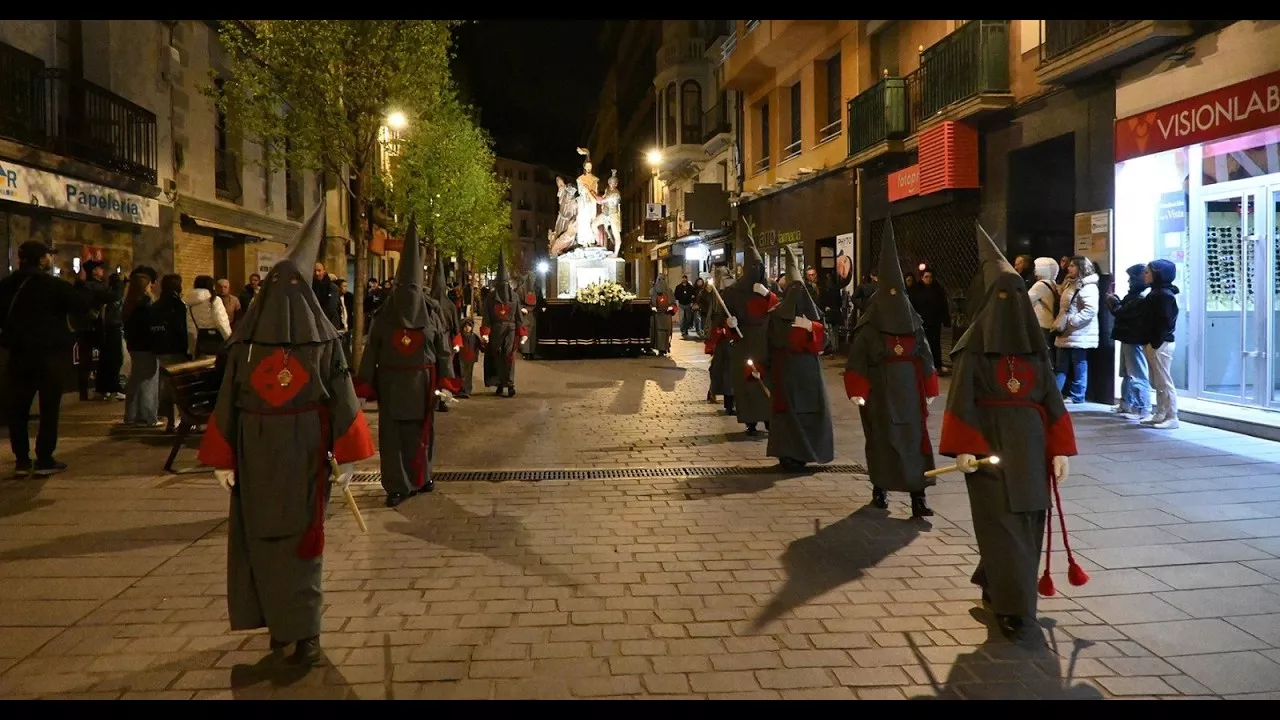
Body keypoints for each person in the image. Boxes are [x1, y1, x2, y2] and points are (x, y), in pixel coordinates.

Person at [198, 202, 375, 667]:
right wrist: (350, 454)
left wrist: (224, 456)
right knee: (297, 543)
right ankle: (295, 629)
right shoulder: (314, 342)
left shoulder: (247, 343)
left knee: (281, 540)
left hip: (267, 456)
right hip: (302, 453)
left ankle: (292, 630)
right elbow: (342, 399)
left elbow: (227, 403)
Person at [940, 225, 1087, 643]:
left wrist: (1060, 451)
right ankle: (1015, 608)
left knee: (1025, 527)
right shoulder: (974, 352)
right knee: (1001, 527)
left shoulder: (1036, 355)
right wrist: (962, 448)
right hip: (988, 454)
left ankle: (997, 580)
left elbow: (1052, 404)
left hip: (1032, 456)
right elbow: (961, 402)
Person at [843, 218, 939, 518]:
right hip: (881, 395)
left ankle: (918, 497)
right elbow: (857, 359)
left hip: (910, 394)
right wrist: (858, 390)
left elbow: (925, 355)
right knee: (883, 442)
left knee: (915, 444)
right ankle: (880, 490)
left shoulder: (913, 323)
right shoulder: (870, 325)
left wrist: (930, 386)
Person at [354, 219, 454, 507]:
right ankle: (398, 484)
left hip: (421, 385)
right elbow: (372, 351)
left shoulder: (430, 314)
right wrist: (364, 386)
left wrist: (446, 383)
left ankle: (421, 477)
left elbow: (443, 349)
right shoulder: (385, 317)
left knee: (420, 434)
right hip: (394, 385)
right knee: (394, 436)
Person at [0, 241, 91, 475]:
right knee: (49, 407)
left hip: (19, 354)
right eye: (48, 255)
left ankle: (21, 459)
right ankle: (45, 457)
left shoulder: (6, 285)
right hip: (49, 354)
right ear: (41, 259)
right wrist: (80, 284)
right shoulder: (52, 285)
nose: (50, 259)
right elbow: (81, 306)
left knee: (18, 408)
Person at [765, 247, 833, 469]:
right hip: (787, 371)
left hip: (808, 372)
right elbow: (771, 342)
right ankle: (787, 453)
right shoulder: (776, 315)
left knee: (808, 412)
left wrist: (811, 327)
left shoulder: (813, 315)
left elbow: (825, 341)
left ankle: (807, 451)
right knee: (788, 413)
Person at [720, 233, 777, 436]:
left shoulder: (770, 289)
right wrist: (729, 323)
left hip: (766, 342)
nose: (757, 272)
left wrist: (768, 295)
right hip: (745, 342)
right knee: (747, 382)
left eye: (759, 268)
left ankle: (770, 418)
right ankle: (751, 419)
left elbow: (781, 309)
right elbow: (724, 315)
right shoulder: (734, 292)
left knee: (768, 379)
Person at [1052, 256, 1100, 404]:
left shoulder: (1088, 286)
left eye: (1073, 266)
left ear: (1081, 268)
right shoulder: (1070, 284)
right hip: (1066, 331)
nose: (1069, 268)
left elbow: (1090, 310)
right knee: (1062, 364)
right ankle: (1055, 394)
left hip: (1079, 332)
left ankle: (1078, 395)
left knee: (1078, 363)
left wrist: (1073, 321)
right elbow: (1062, 297)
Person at [1107, 264, 1151, 419]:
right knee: (1127, 372)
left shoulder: (1140, 298)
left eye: (1132, 277)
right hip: (1128, 337)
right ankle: (1127, 404)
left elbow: (1123, 313)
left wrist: (1113, 301)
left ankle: (1142, 407)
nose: (1129, 281)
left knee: (1136, 373)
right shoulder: (1135, 296)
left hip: (1133, 337)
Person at [480, 248, 527, 397]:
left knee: (509, 357)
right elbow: (486, 317)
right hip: (495, 331)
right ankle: (500, 383)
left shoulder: (514, 297)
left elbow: (518, 316)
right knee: (497, 357)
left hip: (510, 331)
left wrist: (522, 333)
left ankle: (510, 384)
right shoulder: (490, 299)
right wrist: (486, 333)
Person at [1140, 260, 1180, 429]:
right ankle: (1161, 412)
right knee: (1157, 380)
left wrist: (1155, 341)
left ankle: (1172, 415)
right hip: (1154, 341)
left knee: (1164, 380)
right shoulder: (1157, 293)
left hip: (1160, 343)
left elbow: (1166, 322)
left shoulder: (1162, 295)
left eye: (1148, 272)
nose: (1145, 275)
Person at [122, 269, 165, 428]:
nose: (151, 287)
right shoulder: (146, 304)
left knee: (136, 379)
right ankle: (148, 416)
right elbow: (150, 326)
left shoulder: (129, 303)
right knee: (149, 380)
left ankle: (131, 415)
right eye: (149, 285)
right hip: (147, 346)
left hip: (134, 345)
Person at [152, 274, 190, 432]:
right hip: (176, 349)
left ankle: (170, 421)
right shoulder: (178, 305)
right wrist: (186, 348)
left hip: (161, 349)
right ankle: (183, 419)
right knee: (179, 386)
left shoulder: (157, 305)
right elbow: (181, 328)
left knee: (166, 385)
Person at [909, 265, 951, 374]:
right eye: (926, 277)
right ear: (922, 277)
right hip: (921, 322)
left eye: (930, 277)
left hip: (934, 322)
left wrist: (946, 319)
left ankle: (937, 366)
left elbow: (943, 305)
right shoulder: (917, 290)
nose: (929, 279)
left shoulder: (938, 289)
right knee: (921, 344)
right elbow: (913, 305)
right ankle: (922, 366)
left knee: (935, 344)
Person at [703, 267, 734, 409]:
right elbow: (711, 312)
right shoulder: (715, 294)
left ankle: (721, 392)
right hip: (719, 333)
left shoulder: (731, 292)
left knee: (724, 366)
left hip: (730, 333)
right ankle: (713, 391)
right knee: (716, 365)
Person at [186, 275, 232, 359]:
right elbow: (221, 322)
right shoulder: (214, 299)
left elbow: (191, 327)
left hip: (201, 344)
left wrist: (192, 349)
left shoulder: (190, 303)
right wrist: (230, 340)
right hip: (217, 343)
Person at [97, 271, 126, 401]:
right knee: (115, 358)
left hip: (106, 329)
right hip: (113, 329)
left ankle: (105, 388)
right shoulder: (115, 296)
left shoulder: (107, 295)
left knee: (106, 359)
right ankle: (113, 387)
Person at [1028, 257, 1060, 351]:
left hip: (1041, 322)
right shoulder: (1053, 283)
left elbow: (1026, 300)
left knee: (1041, 350)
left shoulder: (1040, 285)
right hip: (1051, 322)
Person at [649, 275, 677, 356]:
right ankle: (659, 348)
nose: (661, 281)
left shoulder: (669, 291)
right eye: (659, 279)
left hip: (666, 315)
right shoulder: (653, 291)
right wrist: (653, 307)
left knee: (666, 332)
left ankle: (665, 348)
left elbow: (673, 303)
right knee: (658, 332)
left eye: (663, 279)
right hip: (657, 316)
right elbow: (650, 302)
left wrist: (671, 307)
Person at [458, 317, 480, 398]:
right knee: (461, 374)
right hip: (461, 357)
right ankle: (462, 390)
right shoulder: (460, 336)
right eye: (465, 326)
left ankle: (467, 390)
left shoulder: (474, 337)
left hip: (471, 358)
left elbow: (479, 346)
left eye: (469, 326)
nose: (467, 328)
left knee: (468, 375)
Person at [675, 274, 696, 339]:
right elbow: (675, 295)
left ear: (686, 279)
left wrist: (692, 301)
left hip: (688, 304)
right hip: (681, 305)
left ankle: (686, 330)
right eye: (683, 278)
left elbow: (693, 295)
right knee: (682, 319)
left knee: (688, 318)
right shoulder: (678, 287)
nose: (684, 279)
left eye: (685, 278)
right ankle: (683, 331)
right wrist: (678, 301)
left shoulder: (690, 287)